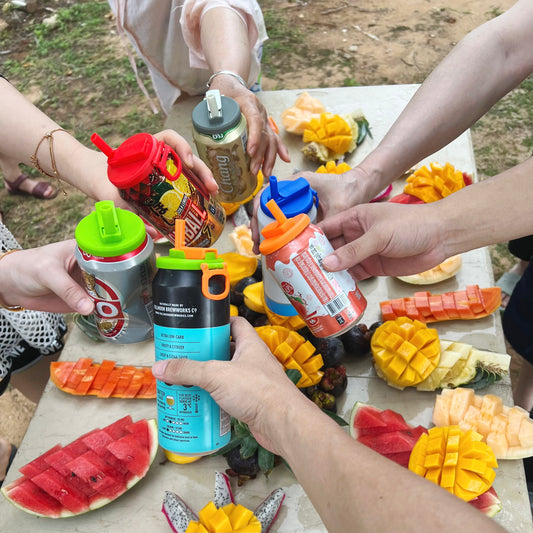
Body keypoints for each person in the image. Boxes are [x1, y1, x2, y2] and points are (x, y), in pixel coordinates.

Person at [107, 0, 290, 178]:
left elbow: (219, 4)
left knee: (246, 147)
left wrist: (228, 74)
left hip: (231, 53)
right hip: (172, 71)